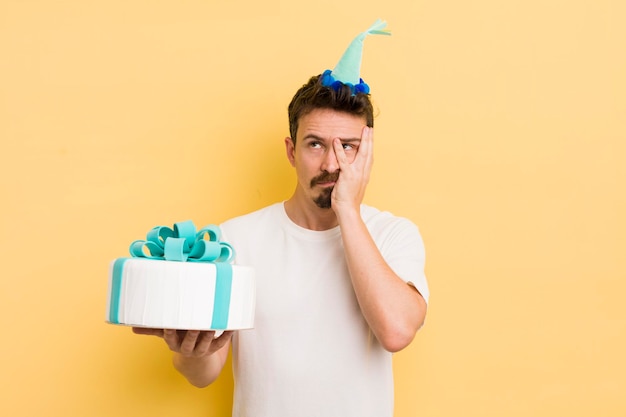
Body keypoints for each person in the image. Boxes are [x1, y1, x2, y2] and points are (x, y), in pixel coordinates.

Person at [133, 20, 429, 417]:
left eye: (348, 146)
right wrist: (189, 351)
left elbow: (396, 331)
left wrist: (347, 211)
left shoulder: (394, 235)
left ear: (367, 155)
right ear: (291, 151)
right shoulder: (234, 240)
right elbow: (205, 373)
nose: (332, 163)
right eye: (315, 144)